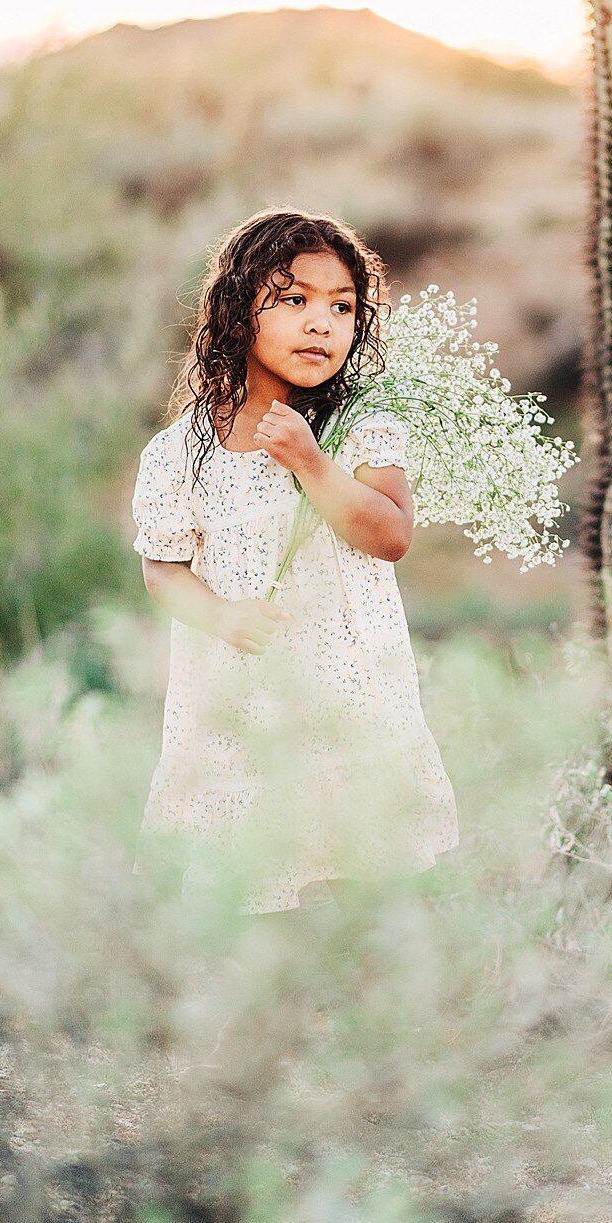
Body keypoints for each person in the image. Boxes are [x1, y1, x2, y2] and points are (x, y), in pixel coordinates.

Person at [130, 207, 459, 914]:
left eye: (342, 306)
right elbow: (163, 568)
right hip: (244, 707)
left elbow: (390, 534)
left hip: (349, 696)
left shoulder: (359, 426)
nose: (322, 323)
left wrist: (311, 462)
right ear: (237, 311)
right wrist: (221, 615)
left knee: (363, 886)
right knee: (255, 891)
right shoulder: (179, 453)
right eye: (294, 300)